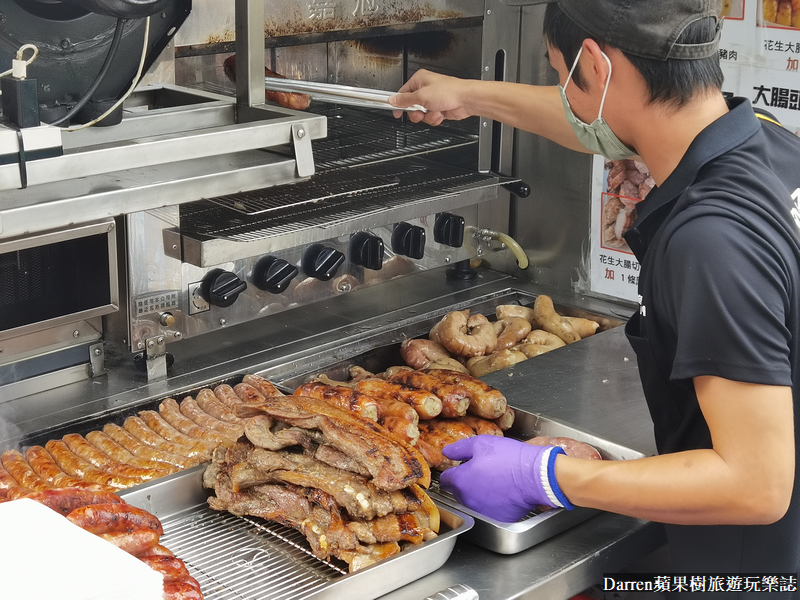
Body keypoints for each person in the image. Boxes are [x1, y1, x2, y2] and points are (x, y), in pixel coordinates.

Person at [390, 0, 800, 586]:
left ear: (598, 66)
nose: (565, 96)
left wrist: (548, 475)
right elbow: (609, 128)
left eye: (561, 75)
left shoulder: (711, 241)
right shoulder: (766, 143)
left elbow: (756, 486)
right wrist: (469, 95)